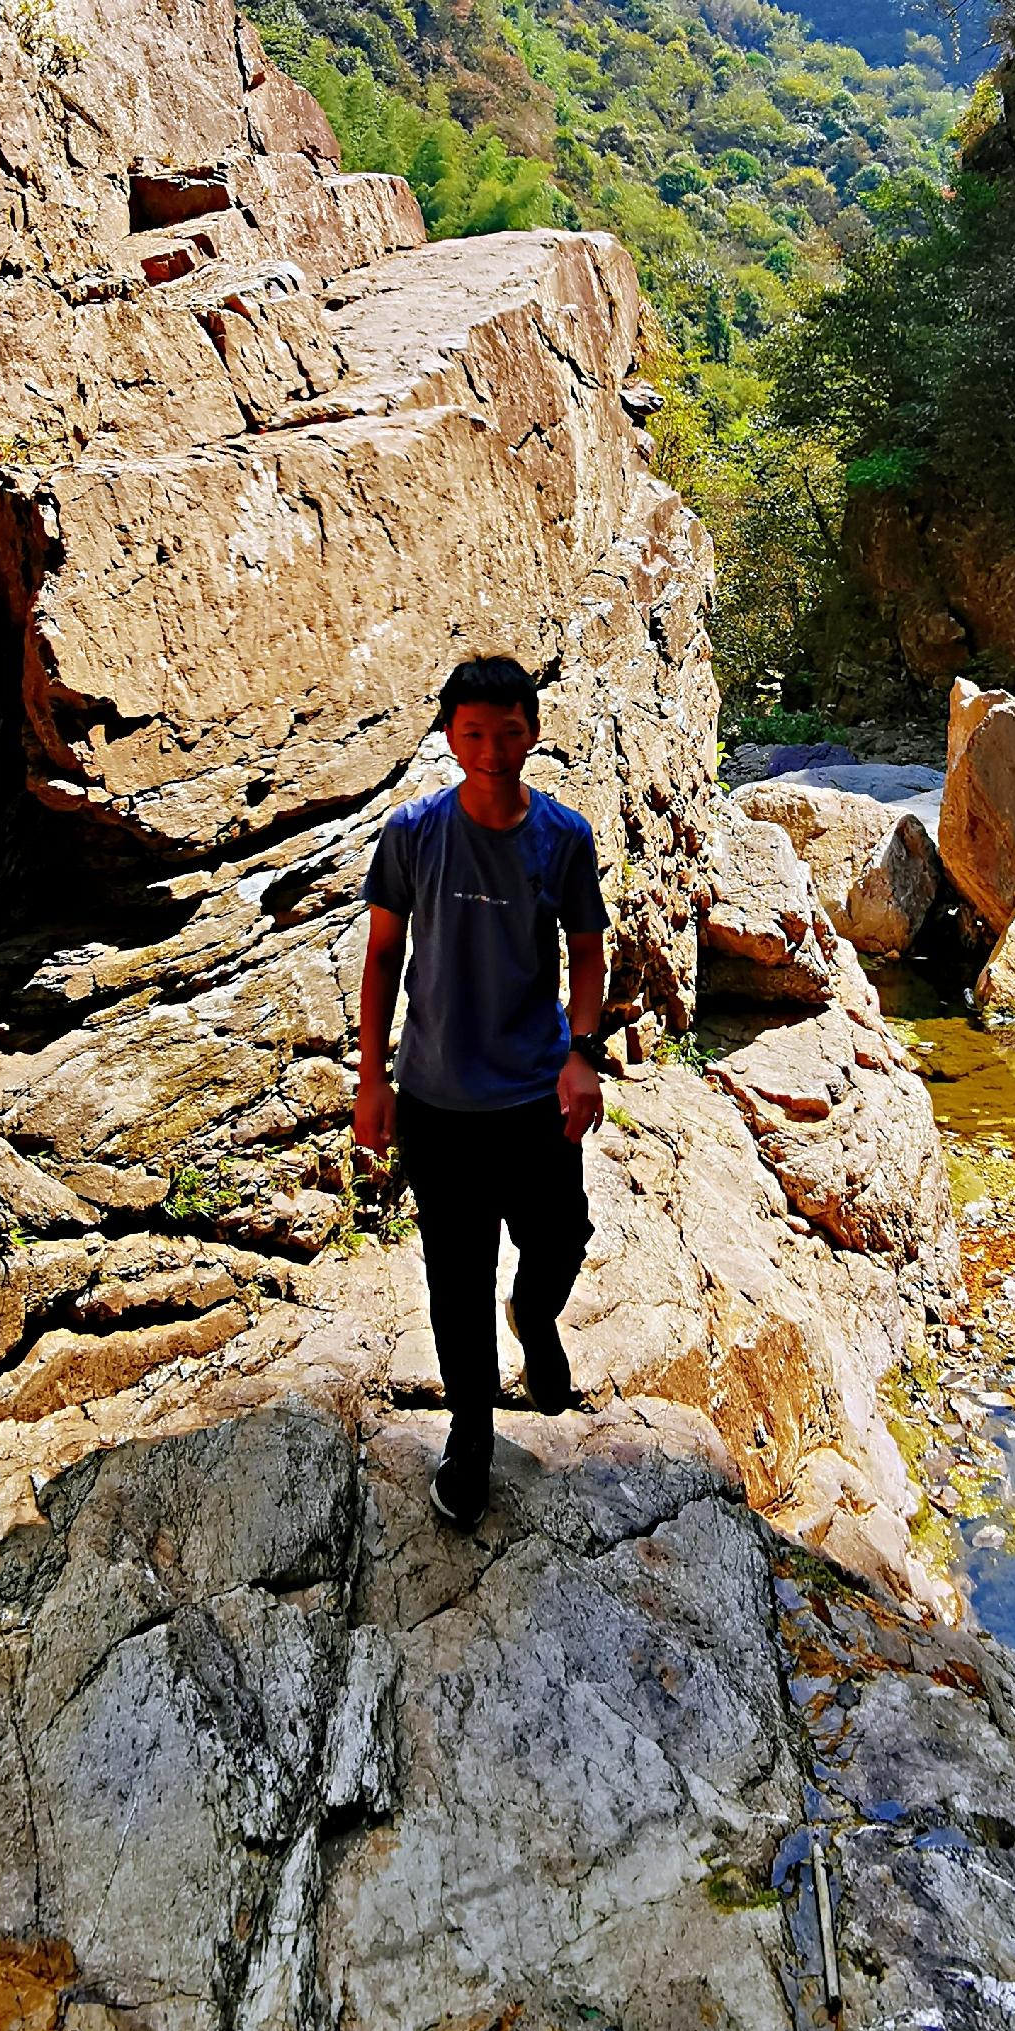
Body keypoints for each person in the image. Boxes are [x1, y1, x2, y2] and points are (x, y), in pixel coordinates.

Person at [353, 655, 610, 1528]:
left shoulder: (564, 839)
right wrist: (372, 1081)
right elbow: (384, 956)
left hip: (537, 1097)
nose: (492, 750)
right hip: (437, 1103)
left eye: (508, 732)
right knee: (453, 1280)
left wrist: (584, 1053)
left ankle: (534, 1320)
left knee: (561, 1239)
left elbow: (586, 953)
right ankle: (470, 1436)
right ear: (450, 738)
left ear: (533, 733)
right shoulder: (414, 833)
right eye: (473, 734)